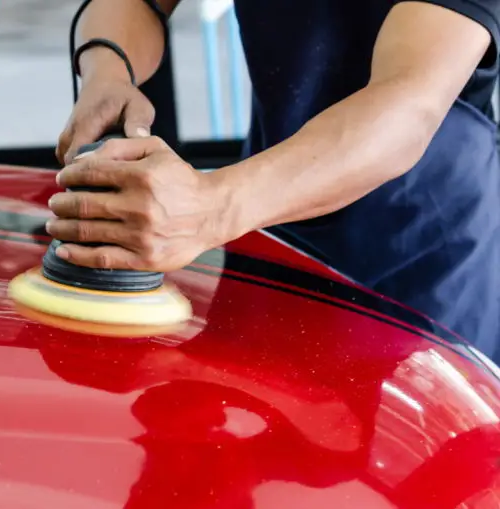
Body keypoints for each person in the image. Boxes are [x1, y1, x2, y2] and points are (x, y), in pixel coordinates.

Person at [45, 0, 500, 361]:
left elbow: (408, 104)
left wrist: (211, 207)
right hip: (268, 219)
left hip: (422, 246)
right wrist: (108, 74)